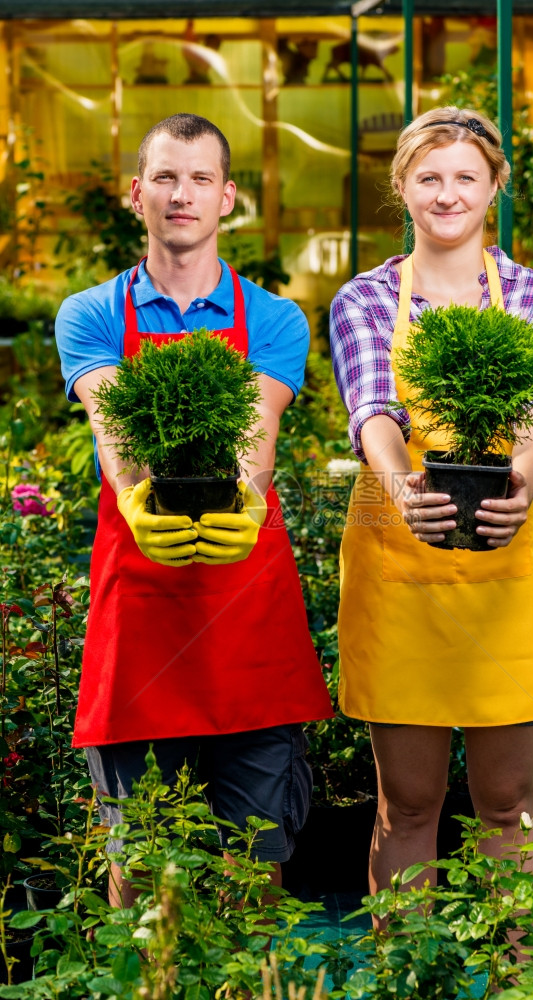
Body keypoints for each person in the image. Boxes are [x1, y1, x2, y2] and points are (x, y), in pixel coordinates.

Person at [55, 113, 333, 906]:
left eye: (200, 179)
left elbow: (257, 427)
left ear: (228, 198)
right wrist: (138, 499)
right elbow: (113, 424)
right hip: (140, 615)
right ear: (136, 194)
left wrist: (245, 499)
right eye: (166, 178)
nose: (182, 195)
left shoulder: (276, 319)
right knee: (139, 863)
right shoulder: (92, 313)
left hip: (247, 610)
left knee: (256, 862)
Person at [329, 106, 533, 904]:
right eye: (428, 178)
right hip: (400, 569)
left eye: (464, 177)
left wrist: (523, 484)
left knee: (508, 807)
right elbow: (374, 405)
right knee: (407, 804)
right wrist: (404, 486)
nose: (447, 194)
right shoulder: (364, 299)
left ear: (494, 186)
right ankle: (407, 979)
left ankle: (519, 984)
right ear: (401, 188)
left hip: (513, 570)